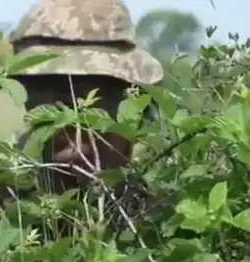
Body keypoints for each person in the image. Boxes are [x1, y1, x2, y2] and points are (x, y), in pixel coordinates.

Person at [9, 0, 164, 196]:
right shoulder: (2, 208)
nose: (70, 130)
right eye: (39, 88)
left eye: (80, 94)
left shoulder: (163, 210)